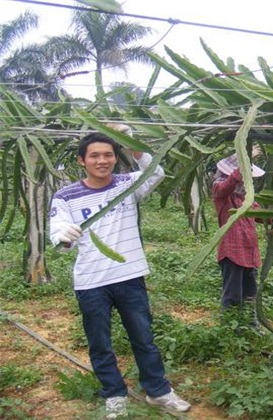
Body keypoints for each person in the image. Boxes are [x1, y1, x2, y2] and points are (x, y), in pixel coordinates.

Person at [48, 129, 191, 418]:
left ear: (116, 157)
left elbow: (156, 172)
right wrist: (64, 234)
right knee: (100, 342)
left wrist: (133, 145)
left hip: (129, 276)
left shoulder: (128, 185)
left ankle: (158, 392)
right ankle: (114, 394)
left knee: (144, 338)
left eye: (108, 154)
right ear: (82, 161)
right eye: (95, 156)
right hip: (91, 281)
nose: (102, 160)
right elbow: (57, 231)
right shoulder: (65, 196)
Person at [211, 153, 266, 326]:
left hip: (249, 252)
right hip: (232, 252)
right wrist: (241, 168)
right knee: (233, 295)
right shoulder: (221, 193)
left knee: (250, 294)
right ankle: (230, 330)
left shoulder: (246, 199)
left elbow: (262, 216)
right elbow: (225, 187)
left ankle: (251, 327)